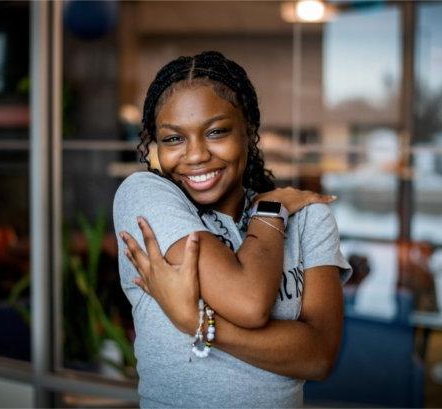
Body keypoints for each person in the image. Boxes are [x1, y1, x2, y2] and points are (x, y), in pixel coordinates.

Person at [113, 51, 351, 408]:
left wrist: (194, 320)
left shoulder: (306, 217)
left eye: (216, 132)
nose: (195, 155)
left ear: (249, 130)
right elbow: (248, 302)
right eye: (174, 139)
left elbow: (318, 357)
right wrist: (271, 214)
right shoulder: (145, 195)